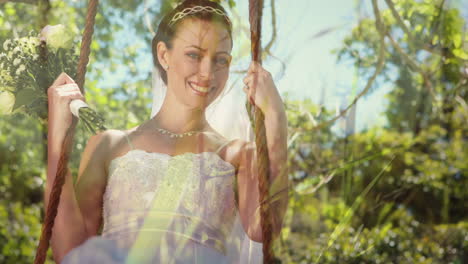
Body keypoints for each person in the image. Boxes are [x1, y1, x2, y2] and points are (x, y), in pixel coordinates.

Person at [45, 0, 288, 263]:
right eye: (194, 55)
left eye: (220, 60)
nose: (207, 72)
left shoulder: (238, 154)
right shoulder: (108, 145)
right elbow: (69, 251)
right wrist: (57, 138)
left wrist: (275, 117)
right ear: (164, 55)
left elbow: (265, 227)